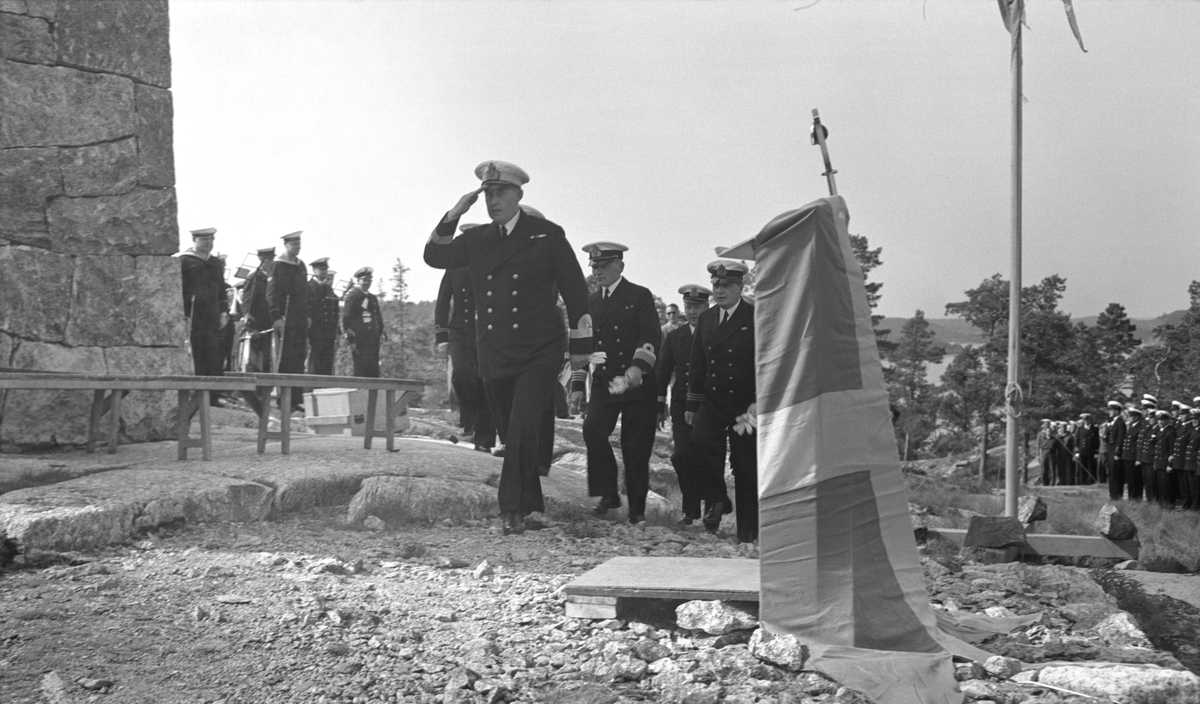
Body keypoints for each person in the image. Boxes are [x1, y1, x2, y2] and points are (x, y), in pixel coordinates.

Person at [424, 160, 592, 535]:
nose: (494, 201)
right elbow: (434, 256)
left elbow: (575, 290)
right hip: (495, 351)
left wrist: (581, 345)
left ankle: (511, 509)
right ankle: (531, 503)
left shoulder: (545, 234)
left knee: (520, 427)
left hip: (539, 349)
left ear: (519, 194)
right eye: (488, 194)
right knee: (514, 431)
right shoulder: (477, 238)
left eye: (501, 193)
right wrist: (454, 213)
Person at [569, 242, 661, 524]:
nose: (598, 272)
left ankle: (637, 514)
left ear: (620, 266)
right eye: (594, 266)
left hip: (638, 384)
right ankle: (608, 492)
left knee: (635, 448)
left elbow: (651, 336)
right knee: (593, 429)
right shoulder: (589, 303)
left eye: (604, 266)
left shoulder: (640, 296)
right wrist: (576, 384)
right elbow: (580, 348)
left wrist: (638, 367)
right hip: (605, 382)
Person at [687, 259, 758, 542]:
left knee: (745, 465)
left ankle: (748, 532)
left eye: (726, 285)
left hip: (746, 405)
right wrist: (692, 403)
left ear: (740, 286)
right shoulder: (706, 318)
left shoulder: (755, 316)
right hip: (714, 400)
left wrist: (758, 401)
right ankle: (719, 498)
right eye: (716, 285)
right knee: (698, 444)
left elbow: (765, 362)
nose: (719, 290)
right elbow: (697, 362)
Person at [657, 284, 711, 525]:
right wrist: (660, 405)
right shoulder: (675, 337)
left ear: (707, 307)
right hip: (679, 404)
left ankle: (712, 511)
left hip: (708, 405)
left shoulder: (715, 333)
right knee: (681, 454)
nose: (692, 311)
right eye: (688, 306)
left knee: (708, 456)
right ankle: (691, 509)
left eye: (697, 306)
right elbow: (663, 371)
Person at [435, 254, 496, 453]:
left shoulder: (491, 264)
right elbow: (443, 301)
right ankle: (469, 420)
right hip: (460, 331)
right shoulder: (454, 267)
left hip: (486, 331)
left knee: (484, 382)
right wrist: (441, 337)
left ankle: (484, 439)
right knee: (460, 374)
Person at [180, 228, 229, 407]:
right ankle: (199, 395)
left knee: (214, 354)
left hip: (212, 316)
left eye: (211, 239)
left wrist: (224, 311)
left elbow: (221, 289)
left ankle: (214, 396)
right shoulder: (184, 261)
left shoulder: (215, 263)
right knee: (197, 354)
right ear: (195, 240)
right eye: (204, 240)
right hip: (193, 315)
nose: (208, 243)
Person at [267, 231, 309, 412]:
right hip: (285, 316)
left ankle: (295, 398)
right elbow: (272, 293)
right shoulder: (278, 265)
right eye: (294, 245)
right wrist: (276, 316)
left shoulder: (301, 266)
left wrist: (307, 315)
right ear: (286, 245)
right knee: (285, 357)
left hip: (299, 316)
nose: (297, 248)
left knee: (298, 357)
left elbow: (305, 292)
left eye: (299, 245)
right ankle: (282, 398)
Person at [343, 267, 384, 377]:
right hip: (360, 339)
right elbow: (346, 320)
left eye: (369, 280)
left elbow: (377, 317)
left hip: (373, 339)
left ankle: (373, 393)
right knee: (361, 369)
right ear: (358, 281)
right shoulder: (353, 296)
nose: (367, 283)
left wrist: (381, 332)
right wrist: (352, 340)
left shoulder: (372, 298)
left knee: (373, 370)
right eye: (364, 280)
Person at [242, 247, 276, 374]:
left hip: (270, 326)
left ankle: (267, 392)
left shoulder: (272, 278)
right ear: (262, 259)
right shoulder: (254, 278)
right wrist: (251, 327)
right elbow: (247, 304)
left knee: (269, 362)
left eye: (273, 259)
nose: (272, 262)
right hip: (259, 327)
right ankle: (257, 392)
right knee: (257, 364)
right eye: (269, 259)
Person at [306, 258, 340, 376]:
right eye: (321, 269)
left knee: (327, 364)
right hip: (316, 332)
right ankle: (312, 389)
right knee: (315, 362)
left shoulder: (328, 288)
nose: (324, 272)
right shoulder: (309, 287)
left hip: (328, 332)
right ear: (314, 270)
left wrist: (336, 332)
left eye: (326, 269)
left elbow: (334, 311)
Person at [1104, 400, 1127, 500]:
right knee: (1111, 474)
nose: (1109, 412)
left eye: (1111, 410)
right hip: (1110, 451)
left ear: (1117, 411)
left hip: (1115, 452)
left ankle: (1116, 495)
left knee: (1116, 475)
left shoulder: (1120, 423)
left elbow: (1120, 438)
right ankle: (1112, 494)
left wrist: (1118, 452)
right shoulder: (1112, 423)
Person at [1122, 406, 1145, 500]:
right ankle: (1131, 496)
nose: (1129, 418)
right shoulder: (1131, 426)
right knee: (1130, 479)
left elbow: (1139, 444)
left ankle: (1137, 497)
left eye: (1131, 416)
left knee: (1136, 479)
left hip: (1133, 456)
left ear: (1136, 417)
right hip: (1128, 455)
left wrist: (1138, 458)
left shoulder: (1140, 427)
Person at [1073, 412, 1099, 484]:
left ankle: (1091, 482)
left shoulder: (1095, 429)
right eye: (1084, 420)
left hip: (1091, 451)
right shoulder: (1080, 429)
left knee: (1091, 468)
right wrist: (1077, 452)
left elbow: (1097, 441)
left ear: (1090, 420)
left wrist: (1096, 452)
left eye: (1087, 420)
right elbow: (1077, 441)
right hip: (1082, 451)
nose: (1086, 422)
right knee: (1082, 469)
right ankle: (1083, 482)